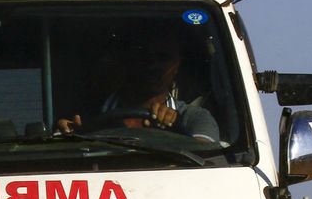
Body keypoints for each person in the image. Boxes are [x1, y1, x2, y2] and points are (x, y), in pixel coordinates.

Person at [55, 44, 221, 142]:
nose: (152, 66)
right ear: (127, 62)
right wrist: (68, 138)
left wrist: (176, 129)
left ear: (177, 65)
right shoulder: (87, 116)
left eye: (163, 58)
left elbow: (205, 162)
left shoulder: (193, 119)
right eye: (144, 57)